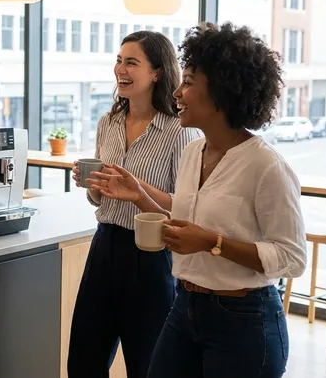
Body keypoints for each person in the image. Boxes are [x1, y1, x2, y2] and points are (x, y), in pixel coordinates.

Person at [88, 22, 307, 378]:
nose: (177, 91)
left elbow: (291, 258)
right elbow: (183, 221)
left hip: (244, 317)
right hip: (186, 307)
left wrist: (212, 243)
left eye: (188, 82)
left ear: (221, 92)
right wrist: (139, 196)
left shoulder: (266, 166)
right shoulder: (194, 152)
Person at [67, 31, 200, 378]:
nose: (120, 69)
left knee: (147, 365)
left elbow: (184, 207)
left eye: (131, 62)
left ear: (157, 72)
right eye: (118, 60)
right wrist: (93, 186)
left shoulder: (180, 130)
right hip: (104, 246)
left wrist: (136, 189)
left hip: (153, 257)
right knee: (83, 360)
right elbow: (99, 200)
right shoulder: (107, 123)